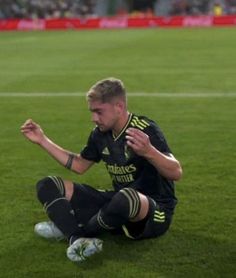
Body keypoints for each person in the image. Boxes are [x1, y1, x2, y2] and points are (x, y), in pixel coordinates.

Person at [21, 77, 182, 263]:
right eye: (92, 112)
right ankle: (76, 238)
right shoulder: (99, 134)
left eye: (99, 112)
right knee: (47, 185)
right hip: (117, 201)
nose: (94, 118)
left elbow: (176, 172)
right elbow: (80, 165)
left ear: (119, 107)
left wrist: (149, 151)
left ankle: (72, 227)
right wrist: (43, 141)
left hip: (155, 211)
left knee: (126, 197)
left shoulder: (144, 129)